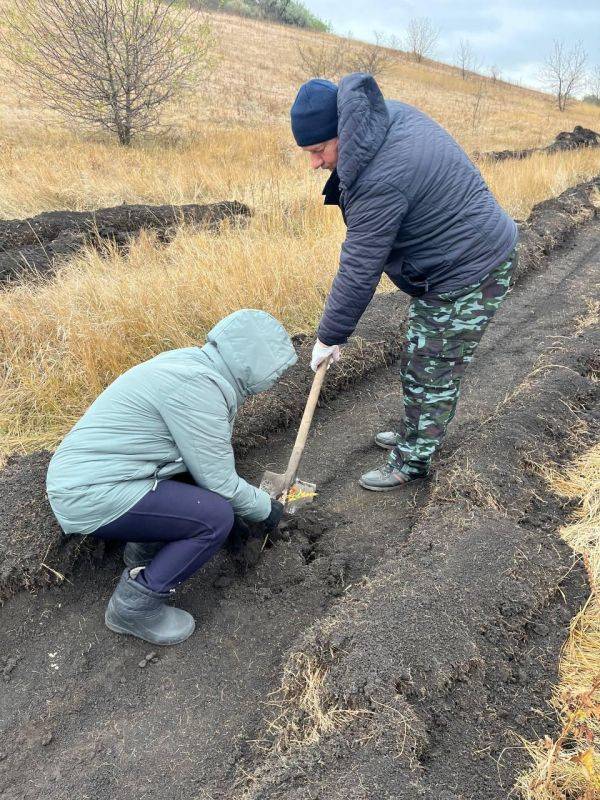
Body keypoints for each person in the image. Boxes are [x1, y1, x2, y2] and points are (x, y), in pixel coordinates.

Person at [290, 73, 518, 491]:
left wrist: (330, 336)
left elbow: (360, 265)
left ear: (342, 130)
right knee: (420, 352)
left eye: (319, 150)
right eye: (307, 153)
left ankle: (413, 460)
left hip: (469, 269)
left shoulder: (381, 177)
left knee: (431, 366)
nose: (314, 164)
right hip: (461, 252)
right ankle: (417, 430)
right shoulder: (383, 117)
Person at [46, 309, 297, 646]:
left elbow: (199, 467)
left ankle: (142, 553)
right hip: (90, 492)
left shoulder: (193, 363)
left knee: (194, 486)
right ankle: (134, 607)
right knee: (214, 518)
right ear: (255, 366)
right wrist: (267, 511)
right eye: (274, 373)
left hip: (97, 476)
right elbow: (219, 482)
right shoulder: (198, 387)